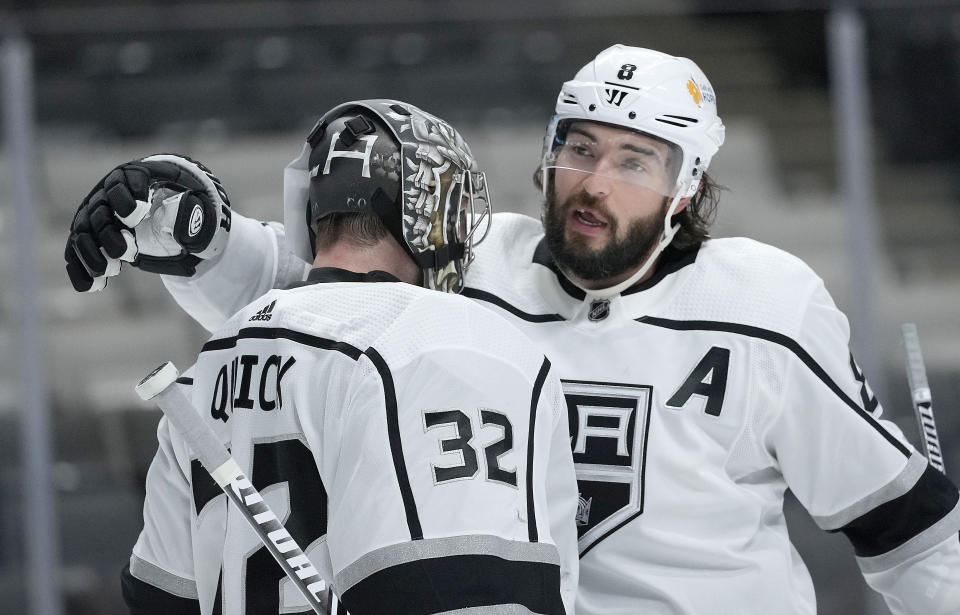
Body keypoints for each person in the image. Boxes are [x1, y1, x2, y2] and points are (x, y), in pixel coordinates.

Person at [66, 46, 960, 614]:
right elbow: (318, 303)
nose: (595, 180)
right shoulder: (474, 261)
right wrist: (195, 238)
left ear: (687, 187)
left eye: (635, 160)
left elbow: (911, 533)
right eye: (580, 147)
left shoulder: (769, 302)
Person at [96, 100, 579, 615]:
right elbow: (471, 594)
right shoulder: (446, 342)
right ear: (428, 218)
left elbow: (156, 598)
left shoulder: (208, 369)